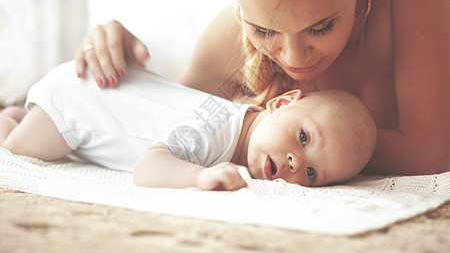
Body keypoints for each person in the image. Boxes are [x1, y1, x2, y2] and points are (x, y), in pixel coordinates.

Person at [74, 0, 450, 175]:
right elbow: (165, 118)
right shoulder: (229, 36)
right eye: (263, 30)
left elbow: (432, 153)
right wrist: (117, 62)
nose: (293, 58)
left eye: (320, 27)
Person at [0, 61, 376, 190]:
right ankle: (9, 119)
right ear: (279, 103)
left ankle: (17, 112)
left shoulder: (231, 119)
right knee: (13, 151)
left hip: (90, 86)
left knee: (22, 125)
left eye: (312, 173)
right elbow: (147, 168)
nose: (296, 163)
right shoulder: (209, 133)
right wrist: (197, 177)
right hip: (74, 105)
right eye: (304, 137)